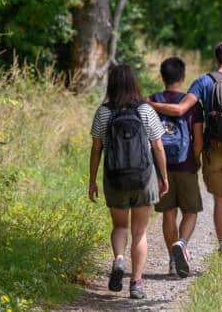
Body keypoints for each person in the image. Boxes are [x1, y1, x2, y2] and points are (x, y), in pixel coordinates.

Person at [148, 39, 222, 256]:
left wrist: (151, 104)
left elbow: (180, 109)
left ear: (216, 58)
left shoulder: (203, 82)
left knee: (220, 199)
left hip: (213, 151)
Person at [88, 64, 169, 300]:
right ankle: (136, 283)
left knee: (120, 226)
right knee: (140, 232)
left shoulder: (104, 112)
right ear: (134, 83)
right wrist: (164, 177)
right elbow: (158, 146)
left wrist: (92, 180)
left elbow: (96, 149)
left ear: (112, 84)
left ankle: (119, 260)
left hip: (115, 179)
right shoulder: (145, 110)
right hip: (144, 178)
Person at [150, 57, 204, 278]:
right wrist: (195, 158)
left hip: (160, 165)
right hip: (186, 163)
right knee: (191, 211)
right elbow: (198, 140)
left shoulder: (152, 100)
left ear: (162, 77)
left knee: (168, 213)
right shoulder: (191, 104)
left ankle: (173, 262)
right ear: (183, 77)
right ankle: (181, 243)